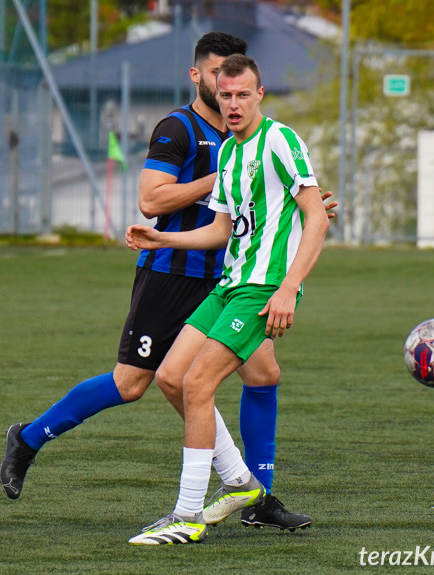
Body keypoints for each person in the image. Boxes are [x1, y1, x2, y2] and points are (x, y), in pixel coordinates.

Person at [1, 33, 334, 529]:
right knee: (134, 383)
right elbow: (152, 201)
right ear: (202, 78)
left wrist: (280, 198)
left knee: (262, 374)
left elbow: (275, 211)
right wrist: (203, 201)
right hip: (172, 277)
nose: (231, 94)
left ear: (256, 90)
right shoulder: (178, 130)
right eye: (224, 84)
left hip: (231, 277)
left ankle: (256, 496)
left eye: (241, 87)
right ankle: (28, 438)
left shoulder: (262, 143)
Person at [125, 53, 328, 545]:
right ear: (216, 96)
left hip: (261, 288)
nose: (233, 104)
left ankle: (188, 514)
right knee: (171, 379)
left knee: (197, 384)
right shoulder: (229, 155)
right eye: (226, 96)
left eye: (243, 95)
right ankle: (241, 483)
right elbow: (220, 230)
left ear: (259, 95)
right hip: (229, 285)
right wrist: (163, 239)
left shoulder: (278, 139)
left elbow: (316, 216)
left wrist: (287, 288)